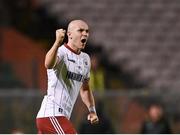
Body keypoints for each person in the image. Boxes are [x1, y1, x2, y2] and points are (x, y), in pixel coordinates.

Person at [36, 19, 99, 134]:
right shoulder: (61, 52)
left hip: (62, 117)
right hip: (51, 114)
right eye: (80, 30)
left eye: (87, 31)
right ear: (69, 35)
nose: (85, 33)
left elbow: (85, 89)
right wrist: (56, 43)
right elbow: (48, 64)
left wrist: (92, 110)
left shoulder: (85, 59)